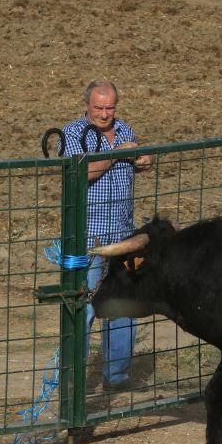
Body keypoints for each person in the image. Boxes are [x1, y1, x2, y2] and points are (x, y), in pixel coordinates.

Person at [60, 80, 154, 391]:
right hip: (88, 237)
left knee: (123, 307)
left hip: (123, 235)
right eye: (98, 107)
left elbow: (138, 160)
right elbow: (81, 173)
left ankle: (117, 378)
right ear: (85, 104)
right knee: (83, 309)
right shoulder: (72, 134)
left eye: (110, 107)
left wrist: (144, 160)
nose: (104, 114)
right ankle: (73, 383)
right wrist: (116, 153)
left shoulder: (125, 129)